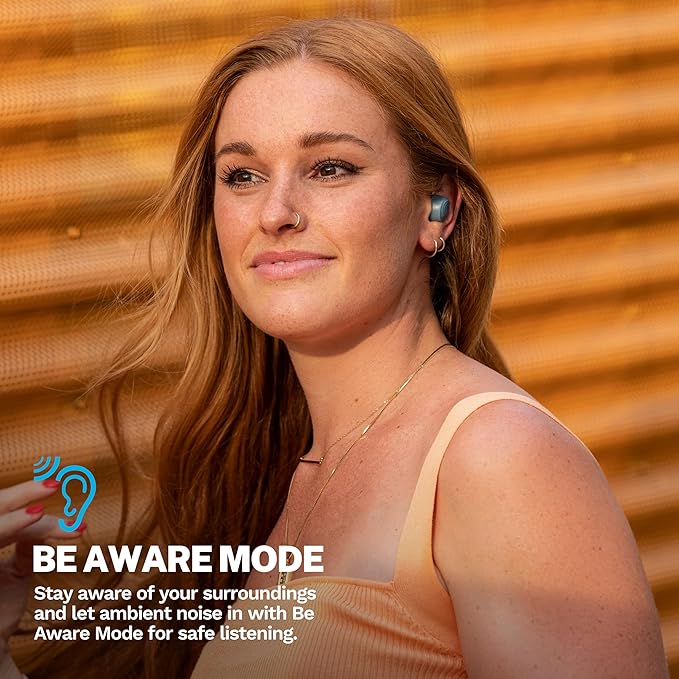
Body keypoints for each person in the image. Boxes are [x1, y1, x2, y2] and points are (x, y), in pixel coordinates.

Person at [1, 17, 669, 679]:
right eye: (242, 175)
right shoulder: (269, 472)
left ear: (436, 207)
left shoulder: (500, 458)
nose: (275, 213)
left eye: (329, 168)